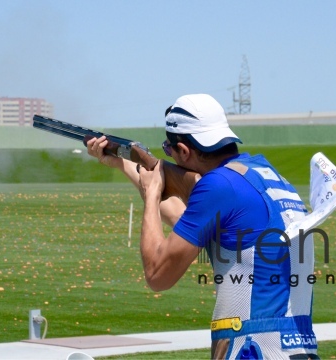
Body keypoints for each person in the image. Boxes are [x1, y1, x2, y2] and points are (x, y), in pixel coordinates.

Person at [89, 94, 318, 359]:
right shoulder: (262, 175)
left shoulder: (219, 185)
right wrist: (123, 162)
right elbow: (184, 221)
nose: (168, 157)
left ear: (184, 151)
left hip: (252, 350)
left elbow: (157, 274)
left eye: (169, 149)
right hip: (296, 350)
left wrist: (152, 196)